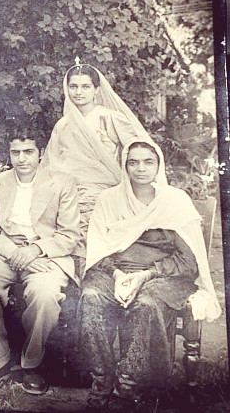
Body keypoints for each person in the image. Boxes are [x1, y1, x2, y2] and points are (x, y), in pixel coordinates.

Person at [79, 140, 221, 408]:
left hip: (162, 277)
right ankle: (102, 382)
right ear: (125, 165)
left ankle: (128, 386)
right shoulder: (109, 200)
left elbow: (188, 261)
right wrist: (118, 274)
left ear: (159, 165)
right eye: (133, 162)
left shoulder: (175, 201)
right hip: (114, 273)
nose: (140, 168)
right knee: (90, 297)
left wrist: (147, 275)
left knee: (146, 304)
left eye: (148, 162)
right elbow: (98, 249)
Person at [0, 127, 81, 395]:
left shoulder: (63, 183)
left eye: (28, 152)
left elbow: (69, 235)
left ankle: (32, 364)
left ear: (40, 154)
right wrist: (15, 254)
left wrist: (34, 251)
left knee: (45, 294)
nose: (22, 158)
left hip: (45, 254)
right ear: (9, 154)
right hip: (3, 251)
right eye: (15, 152)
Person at [42, 62, 151, 273]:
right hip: (67, 192)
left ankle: (94, 276)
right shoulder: (63, 125)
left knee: (93, 232)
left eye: (85, 86)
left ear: (96, 90)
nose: (79, 92)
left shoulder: (110, 118)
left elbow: (136, 152)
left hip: (104, 191)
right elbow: (51, 164)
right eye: (73, 87)